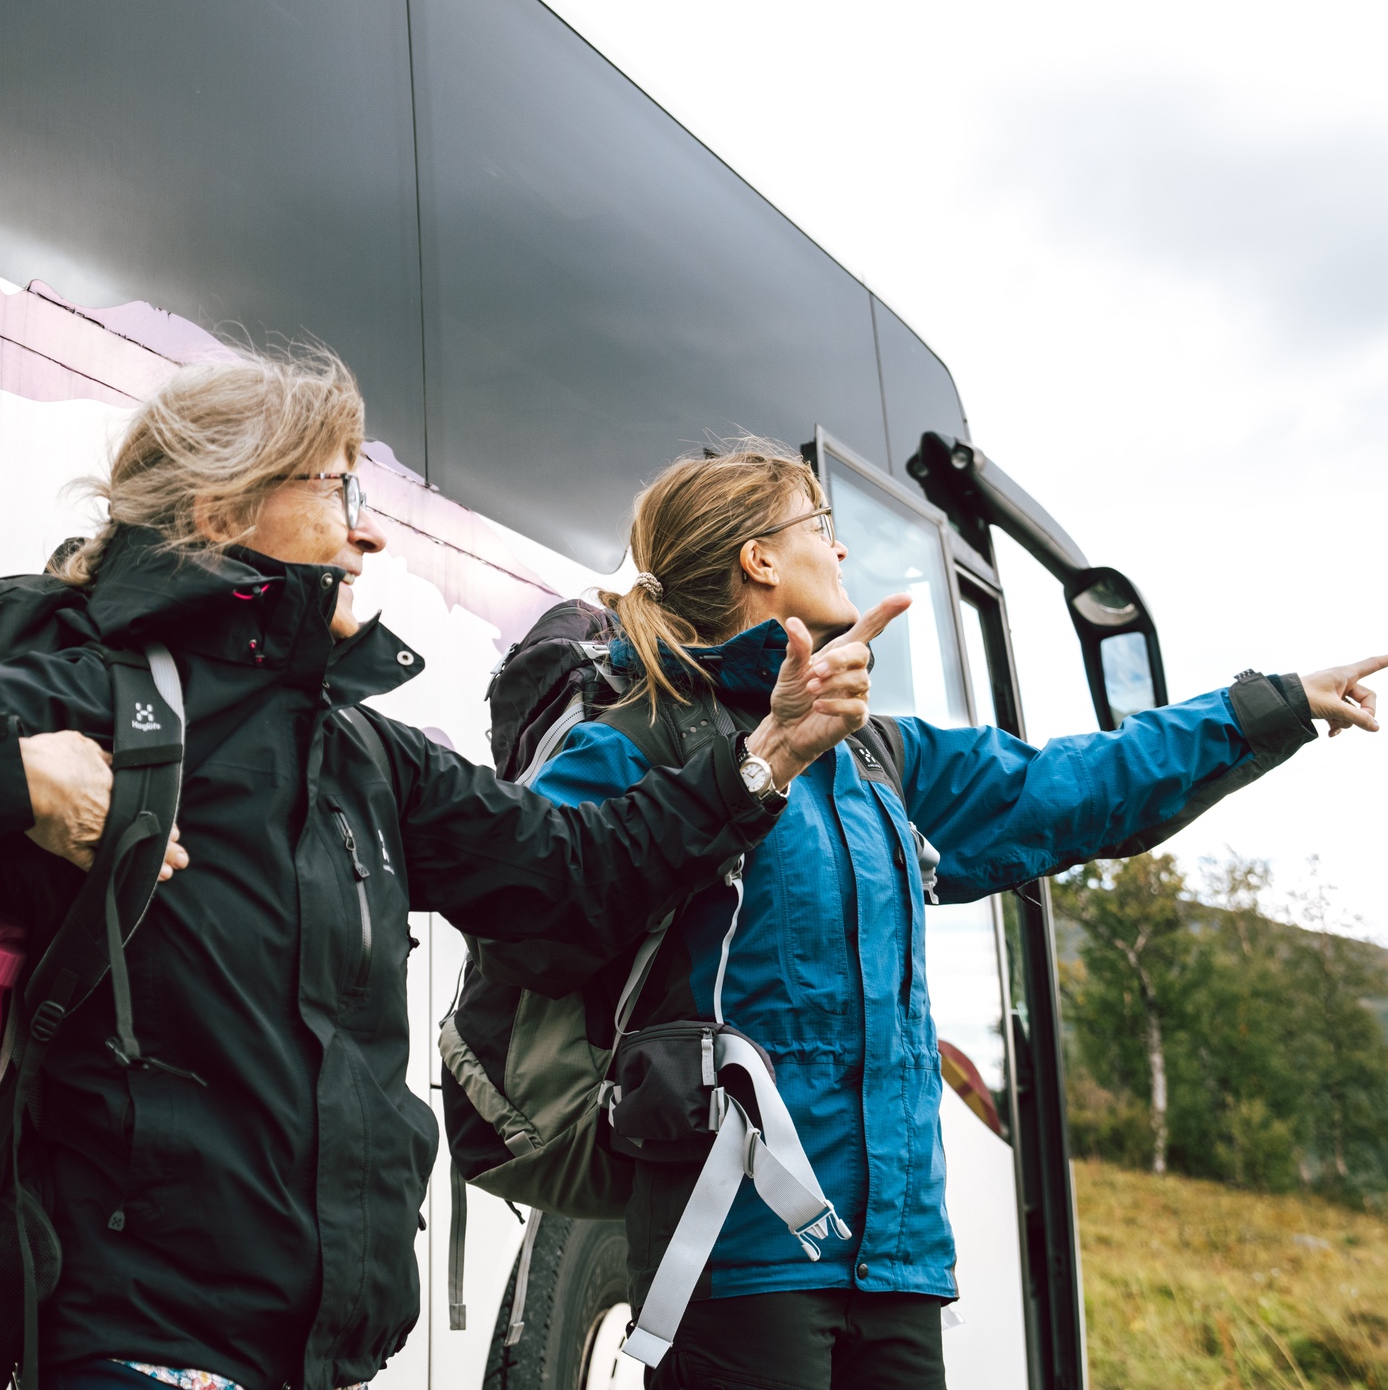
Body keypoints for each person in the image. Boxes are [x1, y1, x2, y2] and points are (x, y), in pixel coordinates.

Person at [0, 353, 883, 1390]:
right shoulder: (92, 699)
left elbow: (572, 874)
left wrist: (764, 757)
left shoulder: (363, 754)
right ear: (223, 507)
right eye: (341, 491)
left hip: (312, 1360)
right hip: (132, 1347)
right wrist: (14, 776)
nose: (372, 532)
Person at [531, 437, 1383, 1390]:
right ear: (758, 558)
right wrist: (749, 772)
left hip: (897, 1265)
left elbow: (1075, 782)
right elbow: (534, 902)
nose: (840, 548)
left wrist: (1266, 709)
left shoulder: (877, 758)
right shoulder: (632, 744)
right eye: (821, 524)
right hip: (736, 1258)